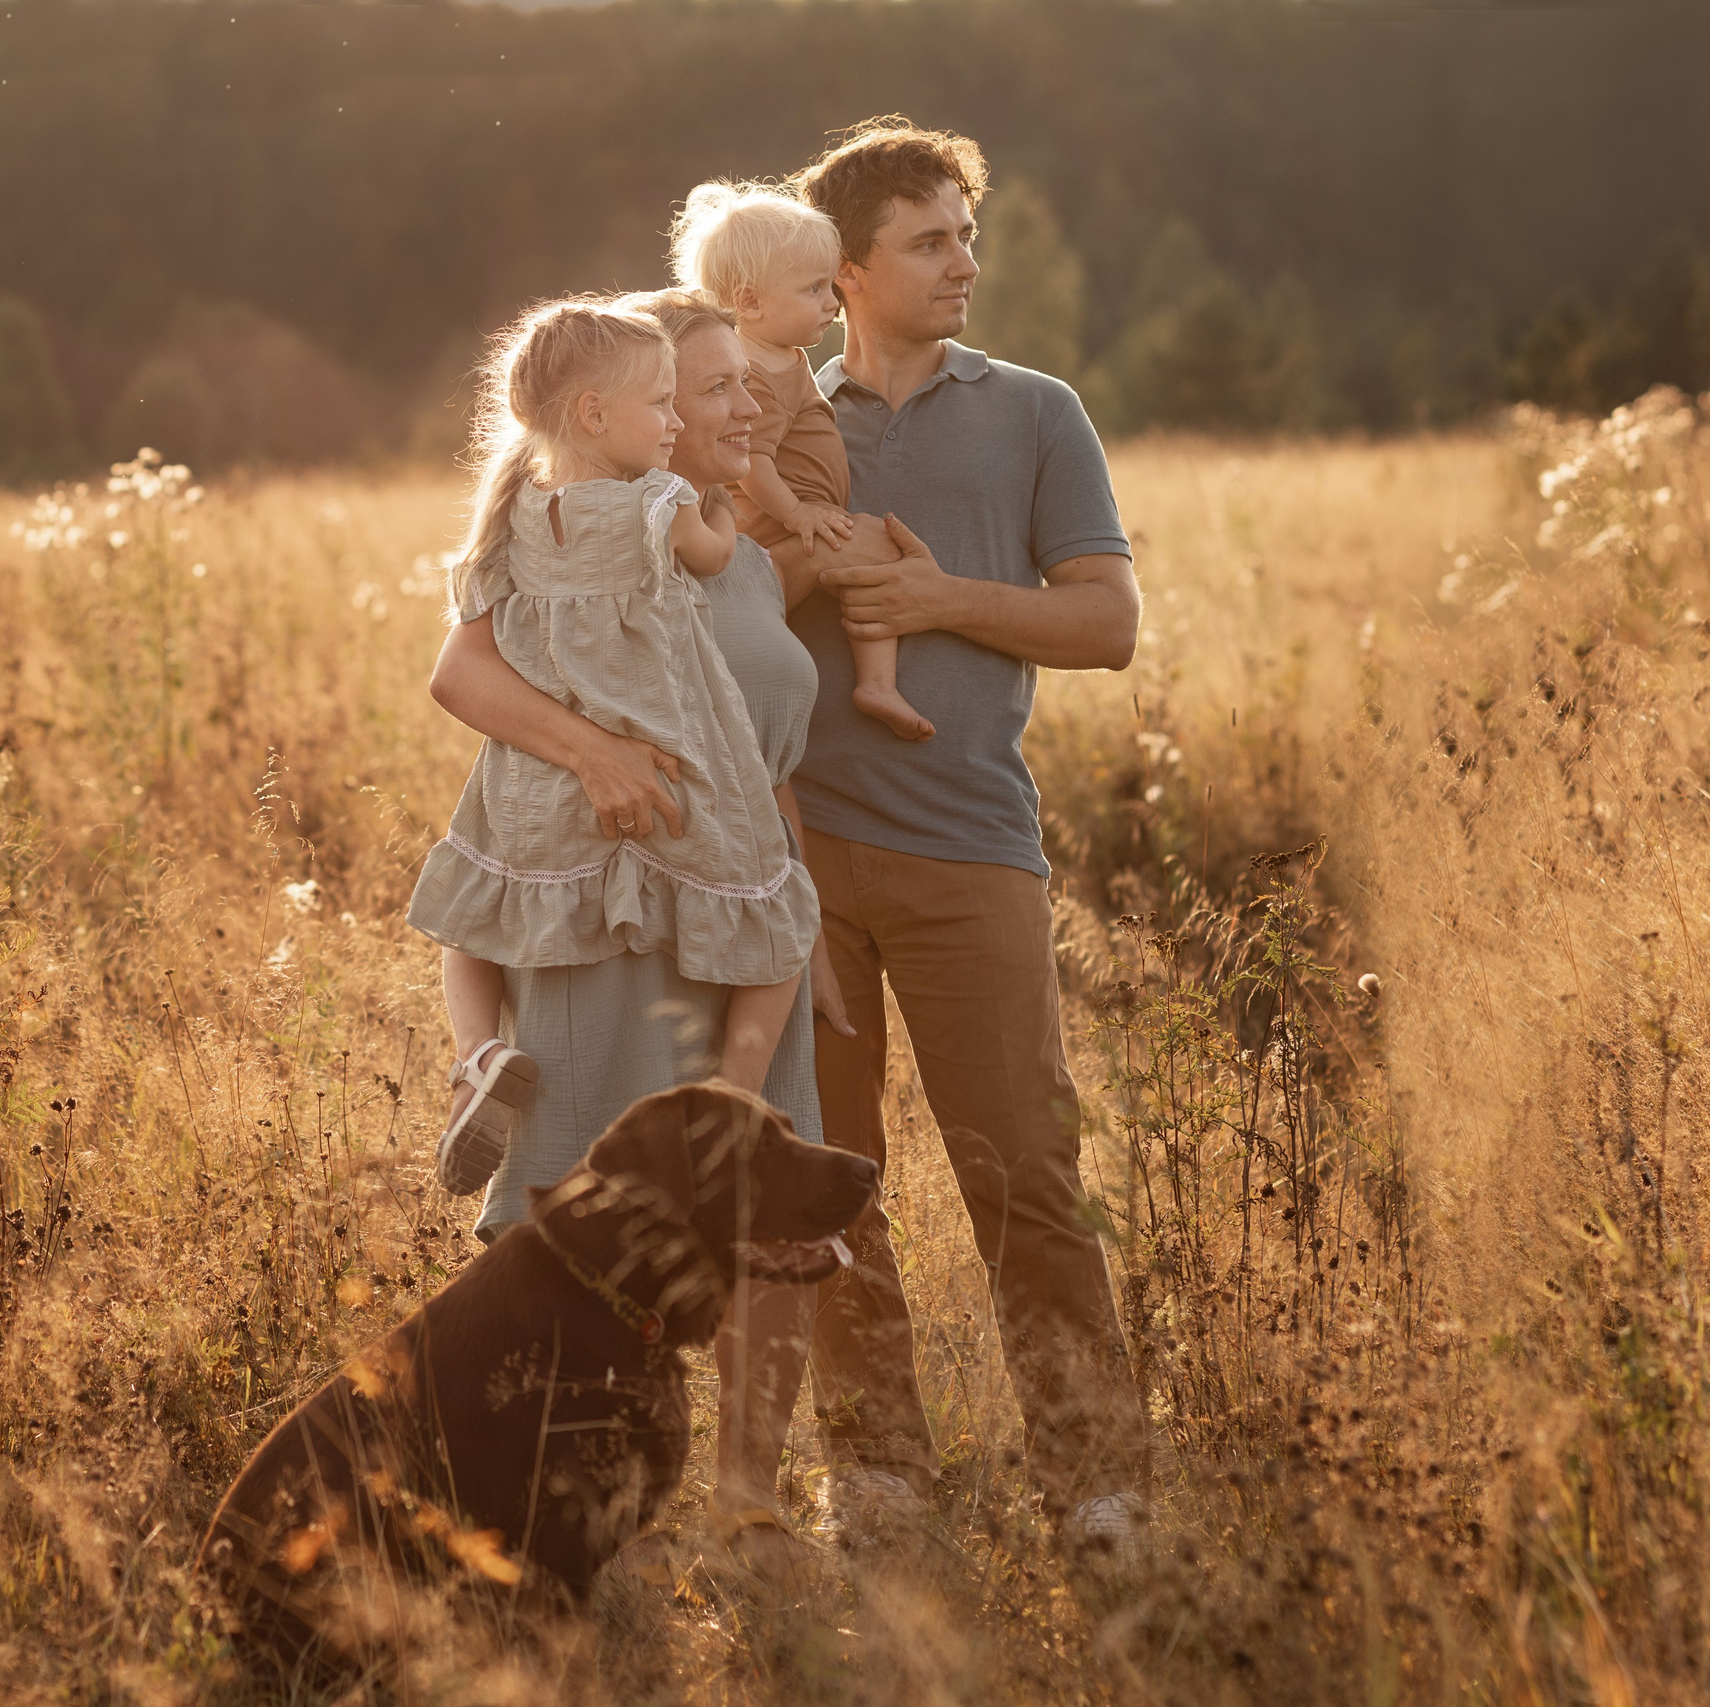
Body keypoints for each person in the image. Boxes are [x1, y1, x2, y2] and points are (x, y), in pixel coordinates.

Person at [422, 291, 845, 1578]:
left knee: (764, 1198)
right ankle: (585, 1508)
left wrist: (798, 911)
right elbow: (462, 679)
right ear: (617, 413)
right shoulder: (609, 522)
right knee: (578, 1194)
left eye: (736, 386)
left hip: (729, 886)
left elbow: (757, 751)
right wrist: (596, 752)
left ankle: (749, 1503)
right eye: (703, 387)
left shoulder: (756, 561)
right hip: (610, 896)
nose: (735, 406)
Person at [782, 119, 1153, 1559]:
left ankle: (1100, 1488)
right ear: (851, 269)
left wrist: (942, 603)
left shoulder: (1036, 409)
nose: (964, 263)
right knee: (824, 1170)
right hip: (800, 866)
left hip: (970, 847)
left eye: (968, 234)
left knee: (1024, 1174)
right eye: (931, 240)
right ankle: (873, 1474)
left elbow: (1107, 625)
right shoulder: (779, 420)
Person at [406, 296, 816, 1198]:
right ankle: (730, 1104)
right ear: (595, 413)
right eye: (674, 401)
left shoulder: (507, 519)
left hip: (528, 796)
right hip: (672, 770)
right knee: (780, 913)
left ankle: (476, 1054)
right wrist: (733, 516)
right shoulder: (657, 503)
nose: (676, 423)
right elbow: (711, 550)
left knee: (471, 906)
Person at [670, 181, 934, 742]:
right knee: (876, 545)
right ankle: (877, 684)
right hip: (777, 528)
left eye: (829, 286)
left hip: (798, 521)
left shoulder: (784, 357)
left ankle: (868, 682)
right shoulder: (754, 375)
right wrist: (796, 516)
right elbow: (755, 463)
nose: (832, 303)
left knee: (868, 559)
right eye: (814, 289)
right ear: (749, 302)